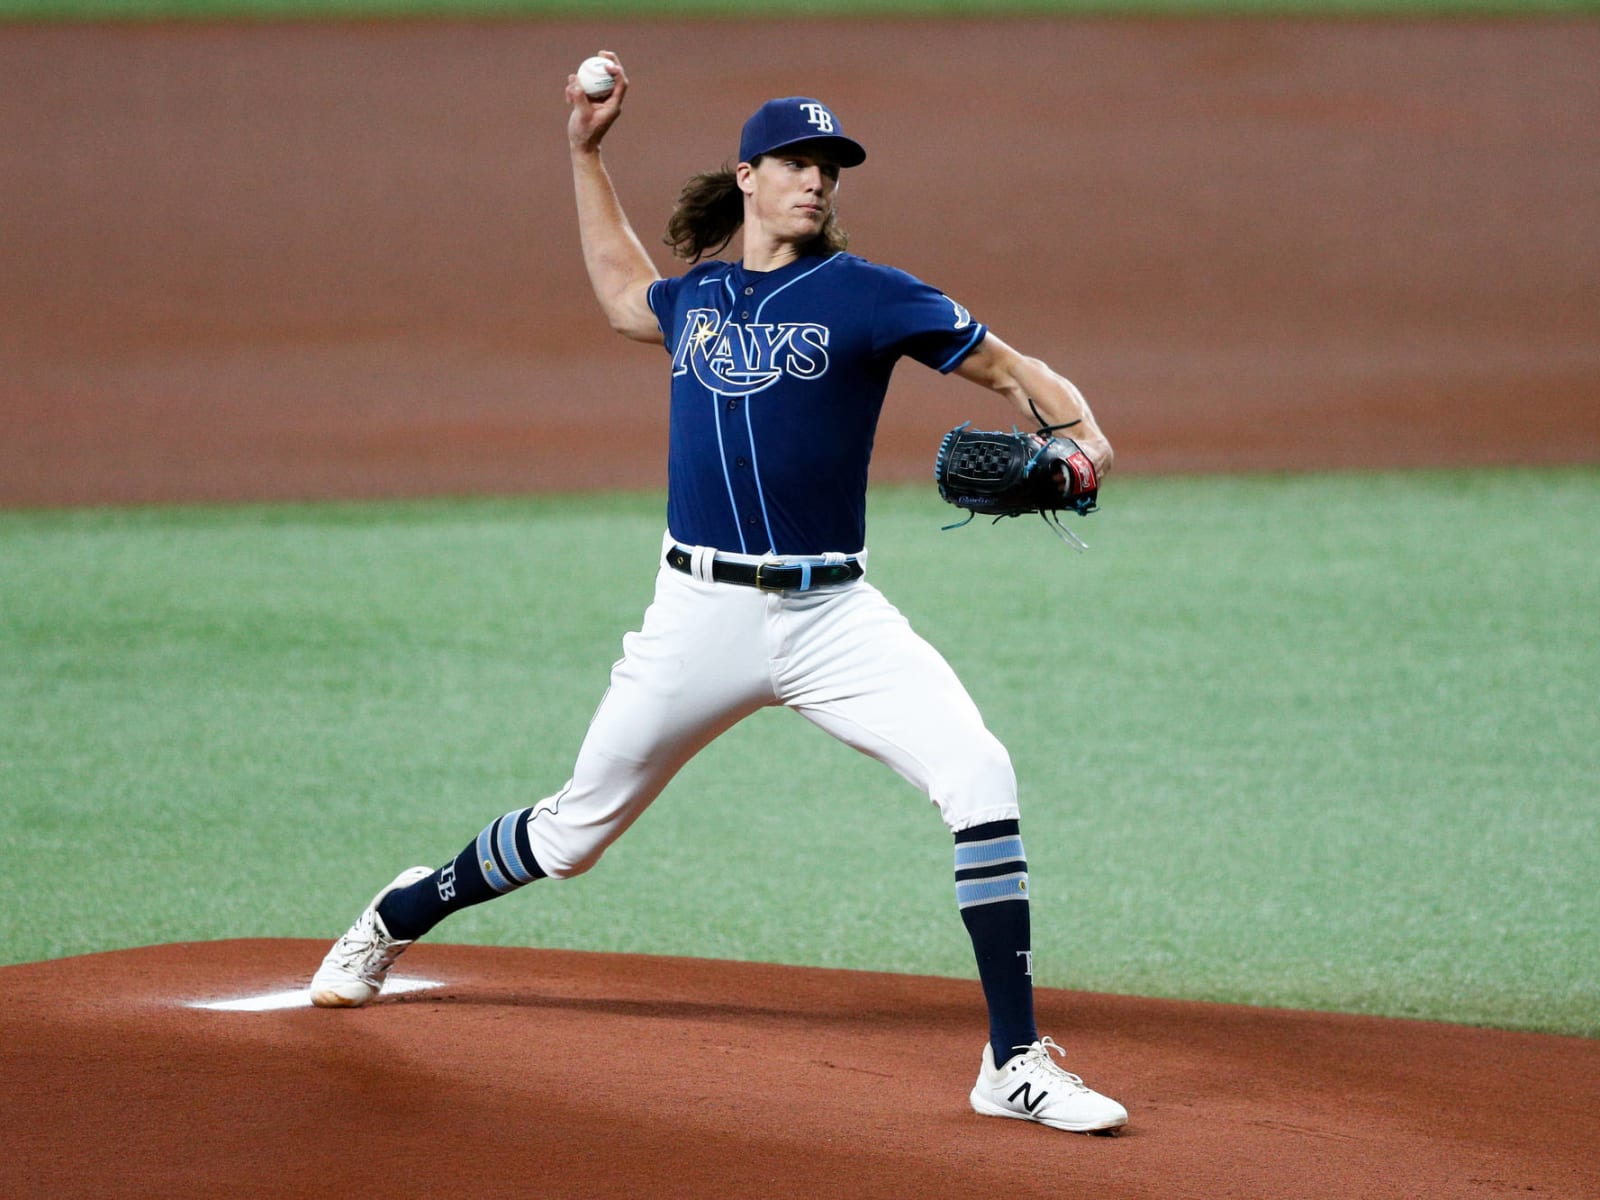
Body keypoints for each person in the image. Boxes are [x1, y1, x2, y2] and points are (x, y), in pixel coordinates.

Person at [310, 51, 1126, 1135]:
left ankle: (1012, 1060)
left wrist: (1081, 440)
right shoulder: (695, 294)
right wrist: (582, 153)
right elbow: (616, 294)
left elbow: (1013, 368)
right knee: (573, 836)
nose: (817, 179)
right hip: (697, 618)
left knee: (979, 772)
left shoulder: (875, 296)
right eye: (795, 160)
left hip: (834, 617)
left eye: (830, 165)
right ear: (747, 175)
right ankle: (400, 910)